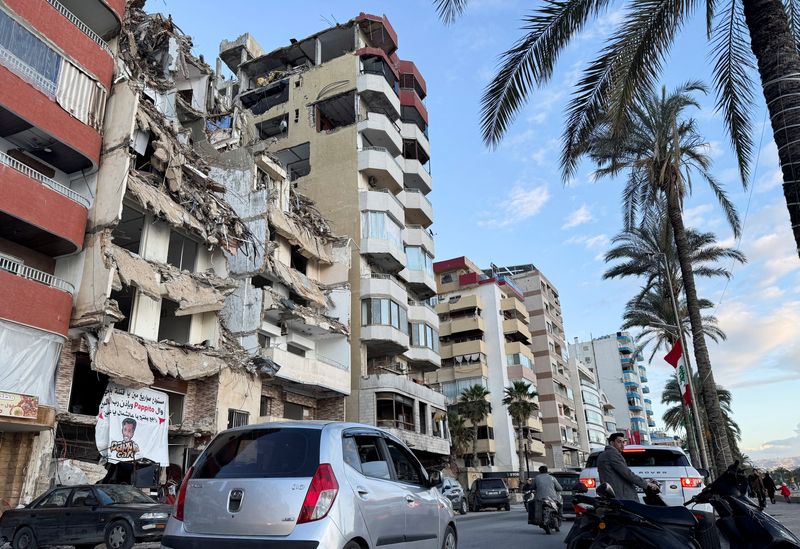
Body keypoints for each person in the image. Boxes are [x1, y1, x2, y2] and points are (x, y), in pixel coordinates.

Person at [597, 433, 657, 500]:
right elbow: (627, 474)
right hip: (622, 496)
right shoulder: (612, 454)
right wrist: (646, 484)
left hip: (613, 495)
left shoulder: (603, 454)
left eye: (623, 442)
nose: (622, 445)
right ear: (611, 443)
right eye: (619, 442)